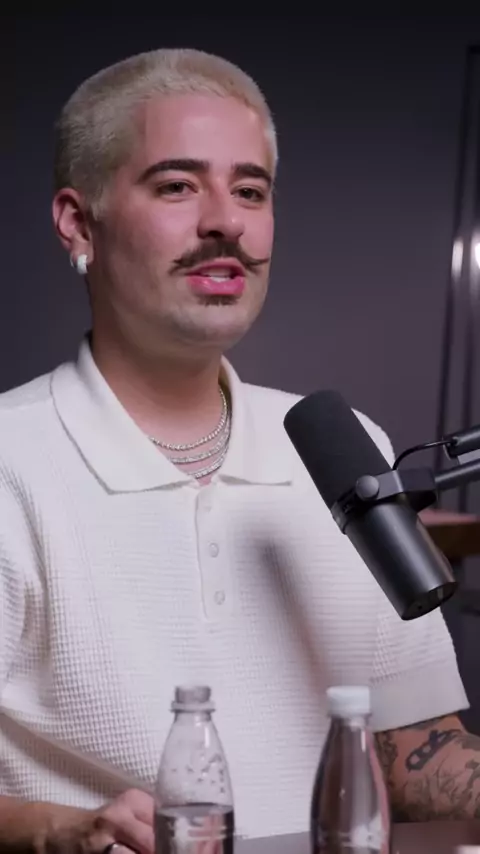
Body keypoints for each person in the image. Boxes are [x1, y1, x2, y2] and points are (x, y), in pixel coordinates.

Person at [0, 46, 478, 854]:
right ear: (78, 223)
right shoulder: (13, 460)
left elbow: (412, 751)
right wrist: (63, 830)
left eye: (251, 190)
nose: (227, 221)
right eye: (177, 185)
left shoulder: (348, 450)